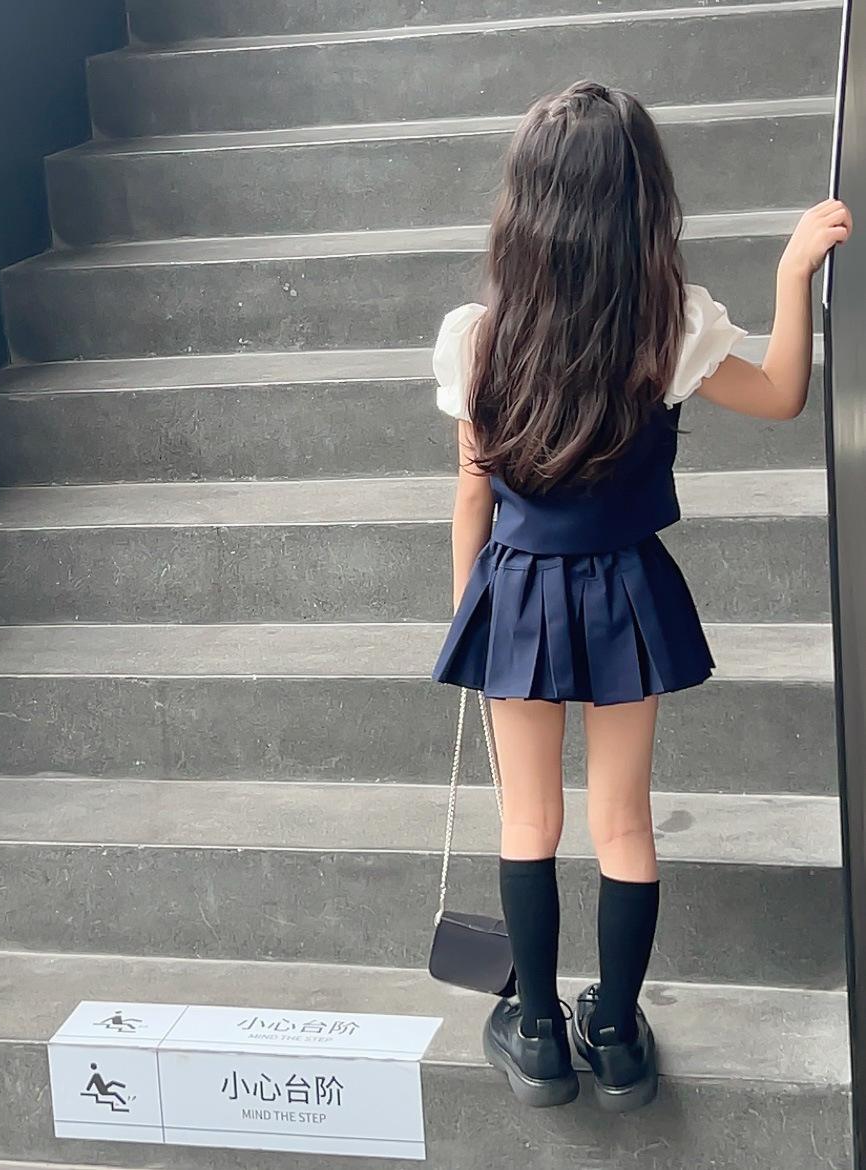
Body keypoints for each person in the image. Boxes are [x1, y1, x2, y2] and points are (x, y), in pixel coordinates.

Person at [431, 80, 851, 1113]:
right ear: (642, 201)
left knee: (528, 818)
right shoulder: (672, 327)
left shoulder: (478, 336)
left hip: (515, 593)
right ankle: (615, 1035)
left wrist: (470, 619)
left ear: (524, 205)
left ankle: (538, 1035)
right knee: (623, 822)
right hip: (624, 590)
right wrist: (792, 272)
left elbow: (472, 491)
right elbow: (783, 394)